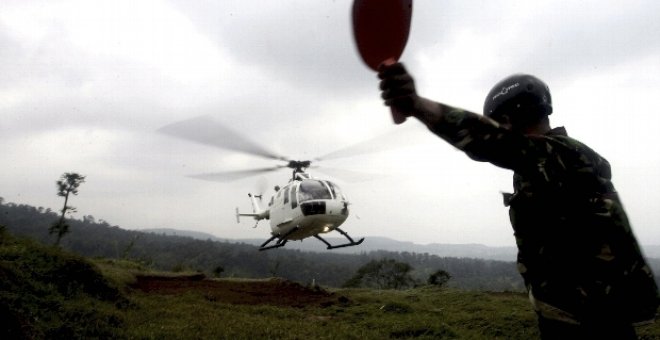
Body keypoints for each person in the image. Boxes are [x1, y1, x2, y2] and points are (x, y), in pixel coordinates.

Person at [378, 63, 659, 339]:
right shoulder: (544, 167)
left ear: (508, 120)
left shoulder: (565, 157)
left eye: (498, 123)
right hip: (567, 312)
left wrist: (416, 104)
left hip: (594, 318)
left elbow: (492, 142)